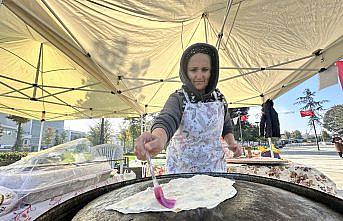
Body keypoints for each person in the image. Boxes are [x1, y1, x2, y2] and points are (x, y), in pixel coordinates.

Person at [135, 43, 243, 174]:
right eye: (193, 70)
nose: (199, 75)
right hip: (182, 171)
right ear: (185, 72)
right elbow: (166, 120)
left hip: (214, 169)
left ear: (212, 72)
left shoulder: (219, 98)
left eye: (205, 70)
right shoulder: (178, 98)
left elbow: (226, 126)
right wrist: (158, 139)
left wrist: (232, 143)